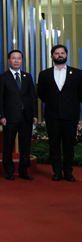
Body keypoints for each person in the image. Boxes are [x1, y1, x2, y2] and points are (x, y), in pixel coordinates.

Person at [37, 45, 82, 182]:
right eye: (57, 53)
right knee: (54, 145)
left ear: (67, 55)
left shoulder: (78, 73)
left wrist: (69, 104)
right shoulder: (44, 74)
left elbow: (80, 94)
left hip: (70, 115)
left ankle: (68, 172)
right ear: (52, 56)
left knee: (69, 145)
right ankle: (56, 172)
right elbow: (41, 94)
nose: (60, 55)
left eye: (62, 53)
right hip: (52, 115)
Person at [0, 50, 37, 181]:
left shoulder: (27, 76)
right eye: (13, 58)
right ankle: (9, 171)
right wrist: (1, 115)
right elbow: (0, 98)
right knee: (8, 144)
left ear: (22, 61)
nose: (16, 61)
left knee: (25, 145)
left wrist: (35, 114)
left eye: (19, 58)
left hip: (26, 116)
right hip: (9, 117)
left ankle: (23, 170)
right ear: (9, 60)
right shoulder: (3, 77)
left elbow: (32, 96)